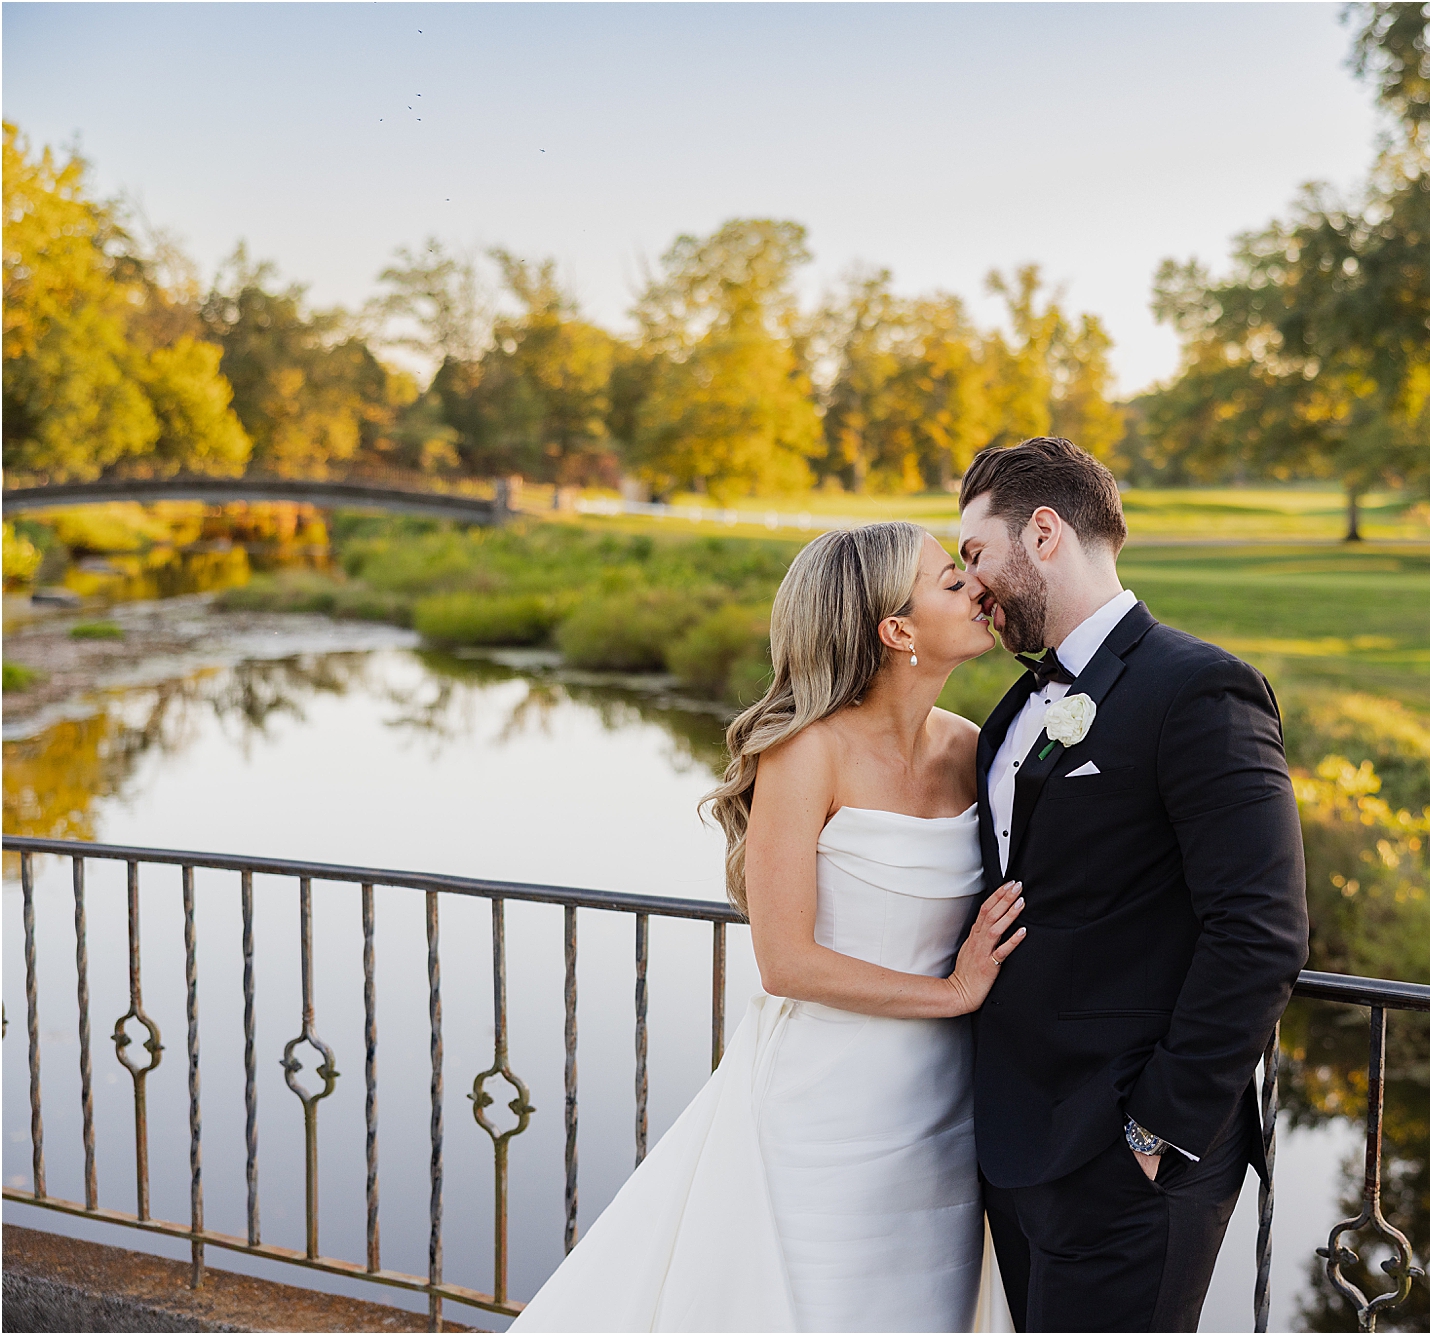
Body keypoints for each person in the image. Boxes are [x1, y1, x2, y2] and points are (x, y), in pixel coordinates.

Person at [513, 521, 1024, 1333]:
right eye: (950, 581)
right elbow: (786, 961)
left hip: (949, 1107)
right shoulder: (805, 752)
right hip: (826, 1104)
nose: (977, 589)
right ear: (897, 631)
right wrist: (954, 990)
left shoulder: (974, 749)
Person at [957, 437, 1310, 1333]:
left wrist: (1154, 1134)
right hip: (1020, 1142)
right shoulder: (1015, 708)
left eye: (975, 553)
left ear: (1043, 534)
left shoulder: (1198, 689)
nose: (972, 586)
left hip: (1129, 1157)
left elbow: (1260, 929)